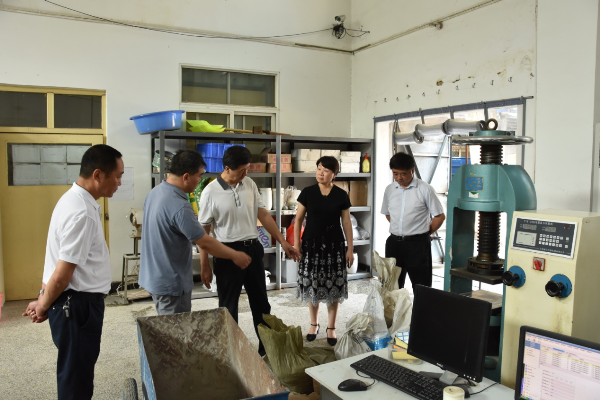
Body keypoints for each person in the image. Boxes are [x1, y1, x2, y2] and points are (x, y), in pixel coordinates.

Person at [22, 144, 124, 400]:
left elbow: (54, 261)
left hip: (71, 304)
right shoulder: (82, 212)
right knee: (76, 381)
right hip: (78, 307)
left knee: (75, 372)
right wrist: (43, 304)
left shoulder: (72, 200)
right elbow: (62, 274)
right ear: (98, 174)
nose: (120, 183)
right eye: (117, 176)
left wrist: (43, 298)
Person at [198, 145, 301, 356]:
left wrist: (283, 242)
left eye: (247, 169)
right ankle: (231, 353)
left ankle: (266, 350)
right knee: (228, 307)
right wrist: (204, 264)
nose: (246, 174)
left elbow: (264, 215)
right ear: (227, 168)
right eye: (242, 170)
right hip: (226, 253)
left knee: (261, 304)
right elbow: (204, 233)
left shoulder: (249, 184)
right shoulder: (210, 192)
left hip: (253, 249)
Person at [138, 150, 251, 315]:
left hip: (153, 275)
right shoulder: (179, 205)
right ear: (186, 177)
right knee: (176, 328)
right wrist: (235, 255)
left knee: (164, 325)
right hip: (171, 283)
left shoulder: (156, 192)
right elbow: (204, 241)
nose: (200, 180)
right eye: (199, 176)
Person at [294, 156, 354, 346]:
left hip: (334, 246)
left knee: (333, 286)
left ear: (334, 174)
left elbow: (346, 222)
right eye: (319, 168)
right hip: (311, 245)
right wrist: (296, 245)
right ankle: (314, 324)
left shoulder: (341, 195)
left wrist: (350, 248)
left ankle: (331, 327)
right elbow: (298, 220)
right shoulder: (307, 192)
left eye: (325, 170)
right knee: (313, 284)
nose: (320, 173)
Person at [381, 152, 445, 290]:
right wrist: (401, 228)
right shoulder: (390, 189)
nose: (399, 177)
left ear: (412, 170)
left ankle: (421, 306)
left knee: (421, 286)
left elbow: (439, 216)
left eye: (403, 174)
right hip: (394, 244)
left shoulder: (425, 189)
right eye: (395, 173)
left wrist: (425, 233)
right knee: (392, 286)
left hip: (417, 245)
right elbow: (388, 214)